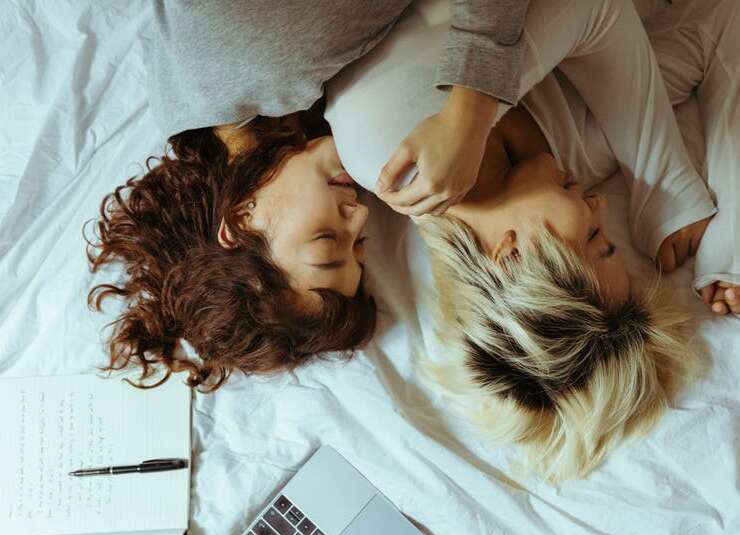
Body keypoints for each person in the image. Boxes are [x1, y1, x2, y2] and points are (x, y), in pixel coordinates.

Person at [323, 0, 739, 480]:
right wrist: (729, 238)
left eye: (595, 238)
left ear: (512, 255)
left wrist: (663, 181)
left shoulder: (392, 152)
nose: (600, 206)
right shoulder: (570, 161)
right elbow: (718, 22)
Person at [87, 0, 531, 389]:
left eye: (327, 239)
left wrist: (471, 109)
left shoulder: (274, 58)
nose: (361, 215)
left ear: (241, 220)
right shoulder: (201, 117)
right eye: (358, 244)